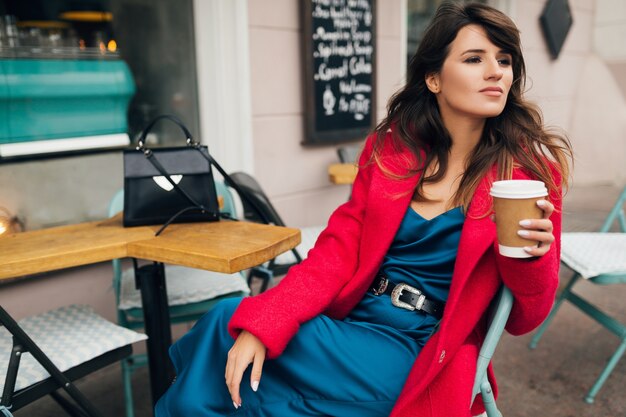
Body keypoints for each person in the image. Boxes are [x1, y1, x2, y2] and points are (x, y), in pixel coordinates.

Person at [155, 3, 572, 417]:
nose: (496, 71)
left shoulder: (527, 177)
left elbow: (524, 319)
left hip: (424, 349)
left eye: (504, 60)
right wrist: (266, 323)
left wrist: (532, 258)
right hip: (354, 320)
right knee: (235, 322)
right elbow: (336, 253)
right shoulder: (392, 153)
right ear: (433, 78)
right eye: (474, 59)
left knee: (231, 369)